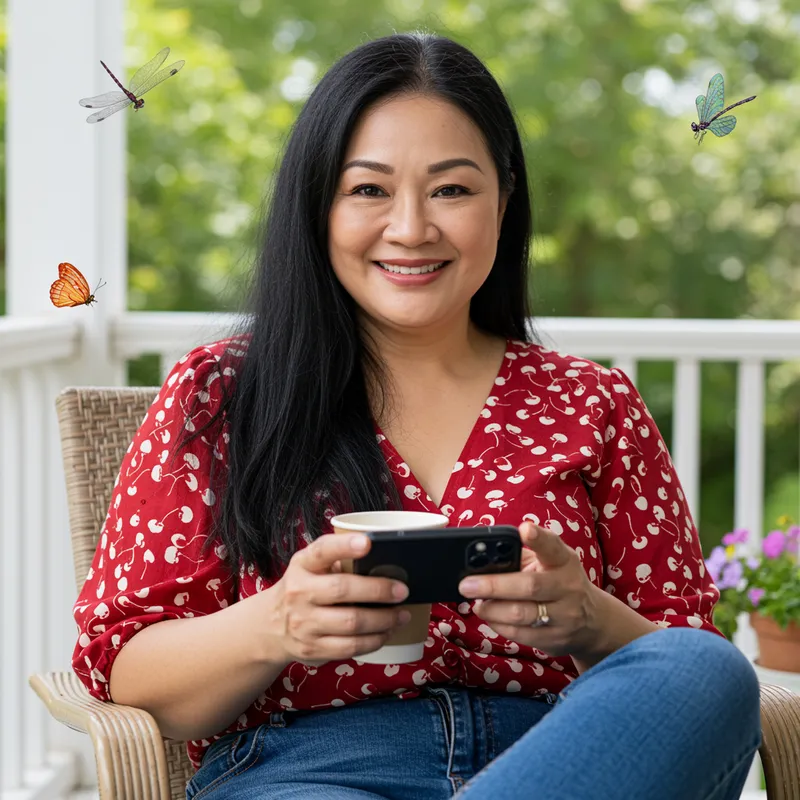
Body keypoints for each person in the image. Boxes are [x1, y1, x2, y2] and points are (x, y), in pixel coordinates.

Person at [72, 32, 761, 800]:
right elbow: (125, 669)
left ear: (503, 201)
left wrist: (590, 620)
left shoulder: (593, 403)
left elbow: (689, 672)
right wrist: (278, 623)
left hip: (567, 764)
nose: (410, 228)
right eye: (368, 190)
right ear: (316, 206)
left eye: (451, 190)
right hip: (313, 774)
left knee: (706, 666)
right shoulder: (221, 396)